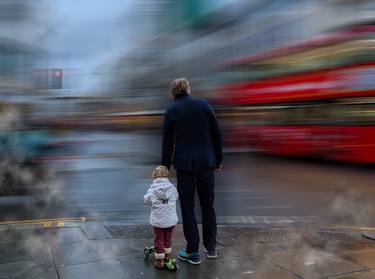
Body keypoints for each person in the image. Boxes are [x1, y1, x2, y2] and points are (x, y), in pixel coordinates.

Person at [161, 78, 223, 265]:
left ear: (173, 92)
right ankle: (211, 248)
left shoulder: (171, 111)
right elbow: (216, 134)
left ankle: (193, 251)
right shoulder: (204, 105)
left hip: (184, 165)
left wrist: (164, 168)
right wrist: (218, 159)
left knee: (187, 208)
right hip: (206, 163)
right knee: (207, 205)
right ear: (188, 89)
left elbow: (167, 143)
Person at [144, 165, 179, 269]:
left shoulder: (152, 189)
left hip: (159, 221)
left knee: (159, 239)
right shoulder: (172, 188)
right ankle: (167, 256)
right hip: (170, 219)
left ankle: (159, 261)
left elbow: (146, 200)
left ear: (154, 176)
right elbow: (176, 197)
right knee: (168, 237)